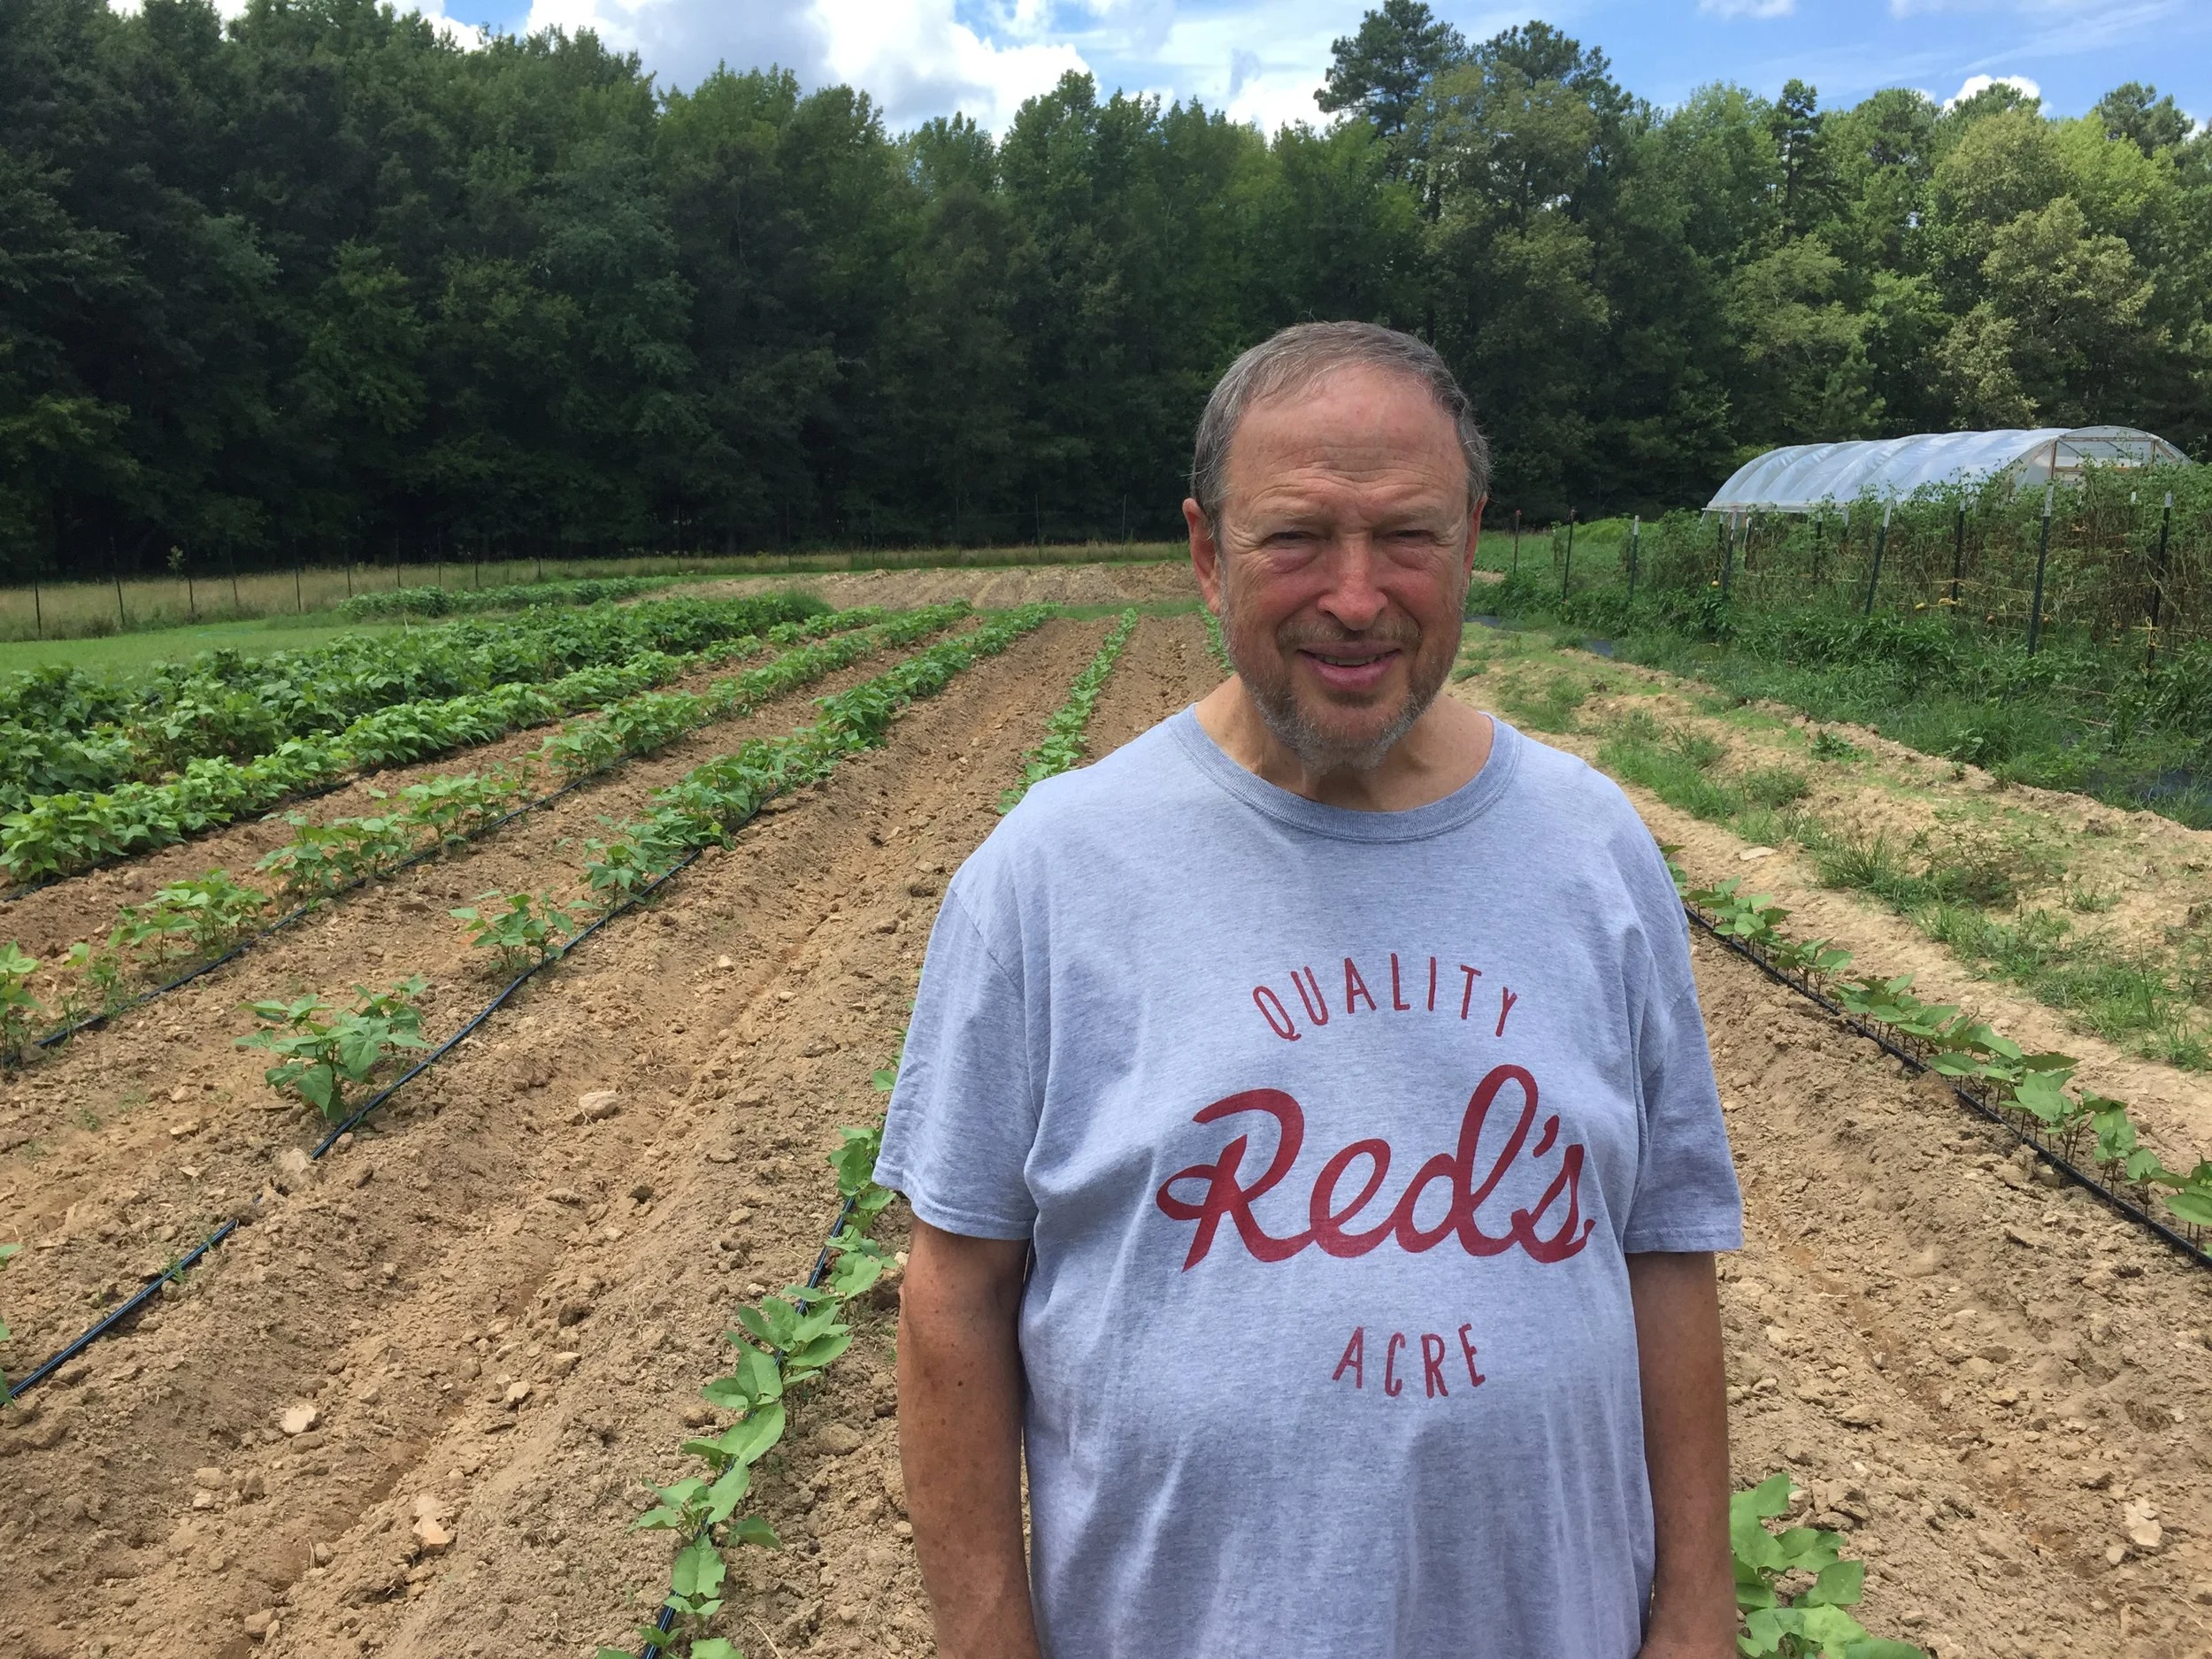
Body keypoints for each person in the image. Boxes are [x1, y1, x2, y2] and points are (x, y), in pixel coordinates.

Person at [875, 320, 1744, 1659]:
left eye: (1408, 534)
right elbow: (954, 1290)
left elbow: (1666, 1249)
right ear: (1207, 548)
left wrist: (1697, 1616)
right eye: (1295, 538)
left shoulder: (1593, 847)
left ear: (1471, 539)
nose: (1355, 594)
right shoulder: (1052, 871)